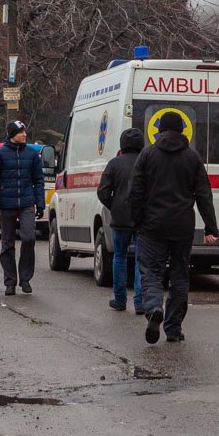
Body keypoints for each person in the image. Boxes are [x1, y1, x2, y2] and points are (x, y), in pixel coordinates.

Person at [130, 111, 218, 345]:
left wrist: (136, 221)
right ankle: (173, 328)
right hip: (182, 226)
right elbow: (203, 194)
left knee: (151, 271)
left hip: (152, 225)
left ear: (160, 130)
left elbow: (136, 191)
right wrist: (211, 227)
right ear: (182, 131)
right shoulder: (192, 157)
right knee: (180, 276)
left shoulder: (147, 154)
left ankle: (153, 308)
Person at [0, 120, 44, 296]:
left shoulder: (32, 155)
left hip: (26, 203)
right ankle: (10, 281)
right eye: (21, 132)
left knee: (29, 238)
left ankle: (25, 278)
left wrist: (39, 204)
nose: (25, 134)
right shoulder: (0, 154)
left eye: (25, 131)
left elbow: (38, 180)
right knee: (7, 244)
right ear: (12, 135)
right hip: (7, 204)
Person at [97, 128, 144, 314]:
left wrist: (114, 205)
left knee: (119, 257)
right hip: (143, 218)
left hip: (120, 217)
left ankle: (120, 299)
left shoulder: (114, 164)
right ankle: (140, 302)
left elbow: (102, 192)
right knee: (142, 261)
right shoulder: (146, 163)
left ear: (122, 145)